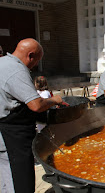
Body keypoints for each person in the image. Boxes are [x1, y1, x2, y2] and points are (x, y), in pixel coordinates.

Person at [0, 38, 63, 193]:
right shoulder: (17, 70)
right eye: (37, 61)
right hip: (10, 135)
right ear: (31, 55)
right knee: (19, 180)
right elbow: (36, 105)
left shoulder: (2, 62)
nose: (35, 65)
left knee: (6, 177)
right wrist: (54, 100)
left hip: (8, 131)